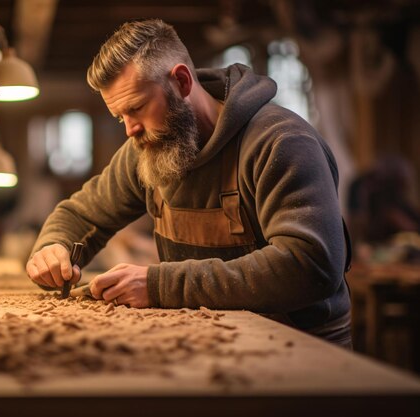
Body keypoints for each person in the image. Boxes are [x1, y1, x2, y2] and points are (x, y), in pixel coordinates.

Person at [26, 19, 352, 347]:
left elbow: (310, 266)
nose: (129, 130)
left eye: (136, 108)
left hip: (297, 349)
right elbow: (81, 215)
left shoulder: (280, 142)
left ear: (181, 81)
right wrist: (53, 247)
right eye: (119, 116)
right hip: (204, 338)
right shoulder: (148, 147)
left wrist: (160, 285)